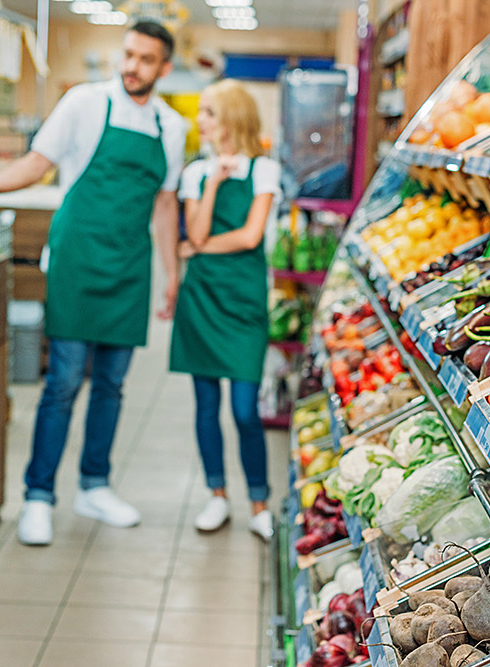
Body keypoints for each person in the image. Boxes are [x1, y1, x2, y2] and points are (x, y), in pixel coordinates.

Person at [0, 22, 187, 545]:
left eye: (146, 59)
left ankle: (94, 484)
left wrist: (171, 276)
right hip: (78, 262)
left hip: (129, 269)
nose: (132, 66)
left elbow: (166, 204)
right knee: (61, 384)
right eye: (128, 55)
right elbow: (37, 165)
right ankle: (39, 494)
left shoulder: (170, 129)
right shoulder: (84, 103)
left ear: (164, 69)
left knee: (111, 385)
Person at [169, 80, 281, 540]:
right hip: (202, 300)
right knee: (205, 405)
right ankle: (217, 495)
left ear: (233, 118)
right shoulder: (196, 173)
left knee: (243, 409)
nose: (202, 120)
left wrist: (196, 250)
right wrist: (213, 181)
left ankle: (259, 501)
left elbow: (250, 236)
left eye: (210, 112)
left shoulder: (264, 171)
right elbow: (193, 233)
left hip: (243, 301)